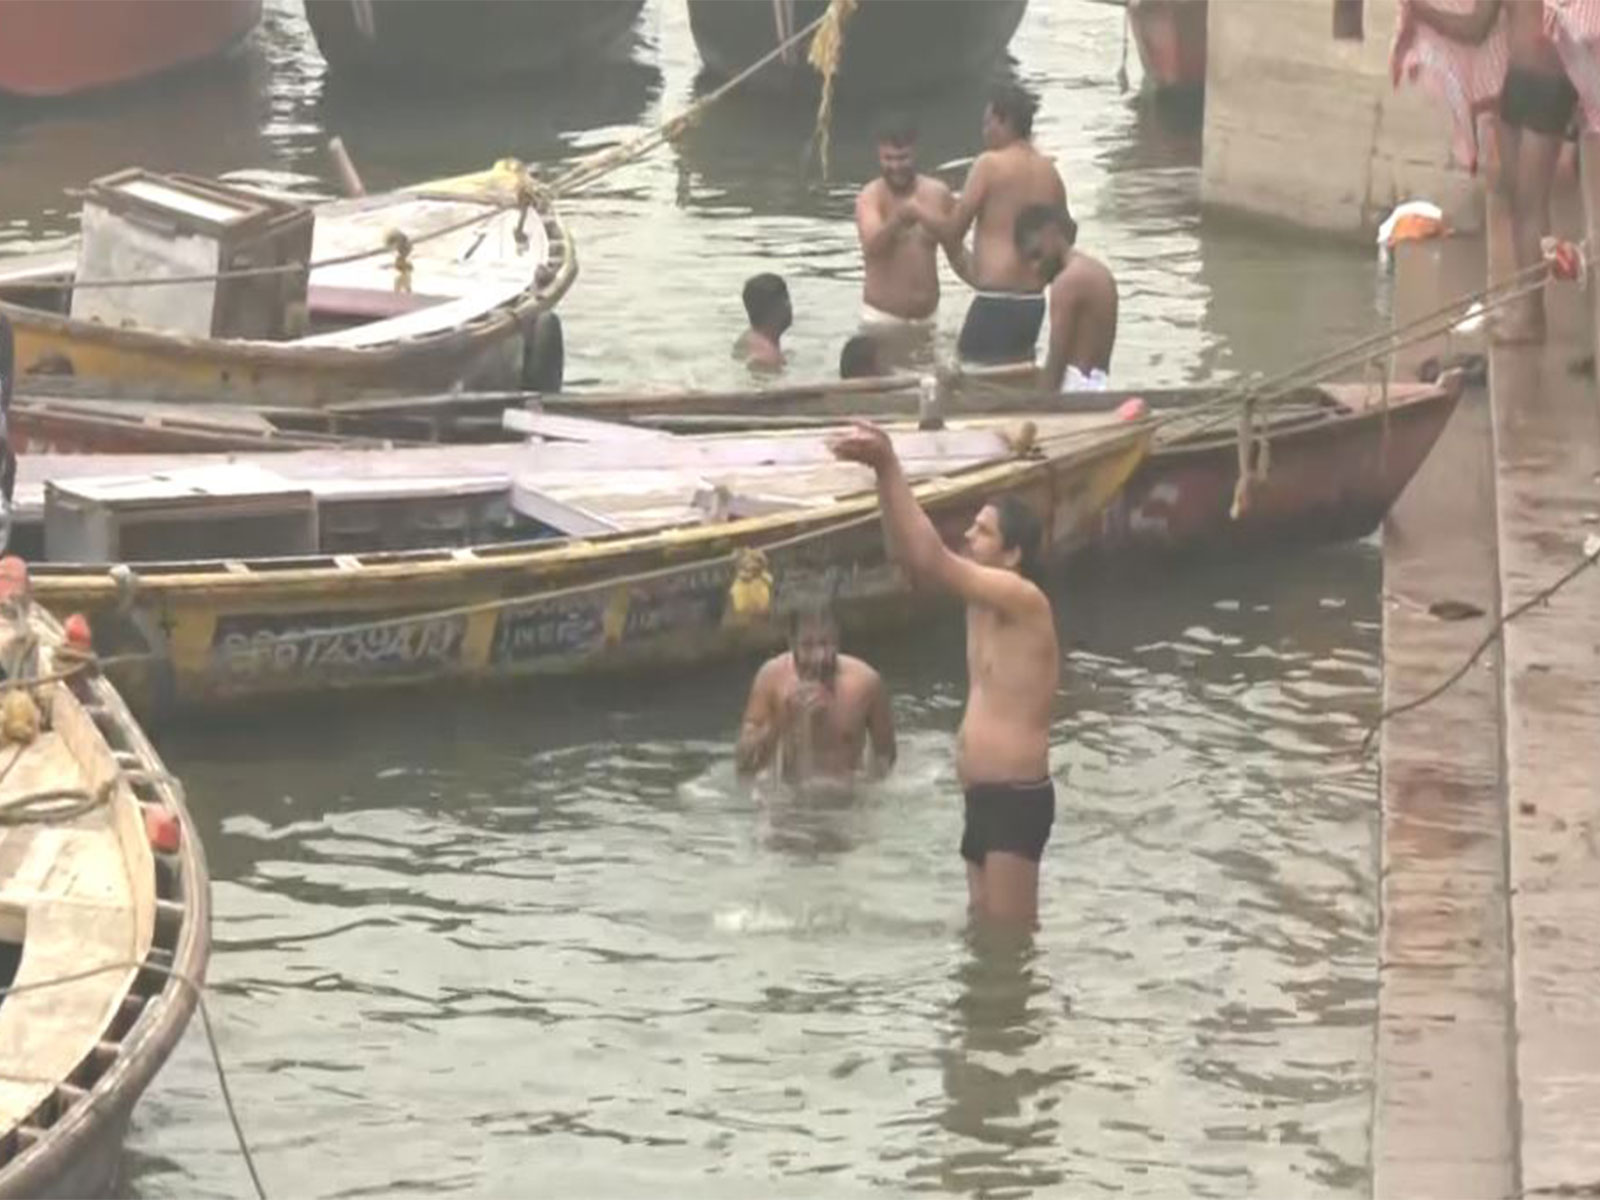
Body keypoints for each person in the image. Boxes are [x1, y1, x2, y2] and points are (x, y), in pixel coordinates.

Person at [827, 421, 1059, 925]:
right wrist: (879, 479)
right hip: (981, 795)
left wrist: (890, 463)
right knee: (982, 938)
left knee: (1008, 943)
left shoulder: (1024, 600)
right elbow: (907, 556)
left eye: (983, 530)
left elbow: (931, 556)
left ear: (1014, 554)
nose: (969, 535)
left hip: (1014, 797)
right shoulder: (979, 601)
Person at [1401, 0, 1575, 340]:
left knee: (1532, 205)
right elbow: (1476, 29)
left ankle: (1533, 317)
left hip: (1551, 85)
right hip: (1515, 81)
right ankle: (1525, 300)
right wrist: (1422, 11)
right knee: (1516, 200)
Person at [907, 83, 1068, 365]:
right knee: (1015, 380)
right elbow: (1067, 236)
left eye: (987, 123)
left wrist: (917, 211)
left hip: (996, 302)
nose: (983, 132)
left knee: (971, 383)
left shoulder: (989, 165)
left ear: (1004, 121)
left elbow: (954, 230)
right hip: (1033, 304)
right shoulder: (1049, 171)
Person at [736, 607, 896, 786]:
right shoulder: (771, 679)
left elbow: (886, 759)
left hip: (848, 800)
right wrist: (781, 721)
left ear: (838, 641)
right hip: (790, 802)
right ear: (792, 643)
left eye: (826, 644)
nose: (819, 657)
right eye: (807, 645)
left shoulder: (866, 683)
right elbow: (744, 766)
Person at [855, 118, 966, 328]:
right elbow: (872, 249)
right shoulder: (870, 197)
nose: (896, 166)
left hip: (928, 319)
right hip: (882, 320)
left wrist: (988, 286)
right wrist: (900, 218)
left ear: (915, 153)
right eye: (888, 159)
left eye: (902, 158)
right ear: (879, 158)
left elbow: (956, 250)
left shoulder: (937, 193)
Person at [1014, 205, 1118, 392]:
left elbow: (1057, 362)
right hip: (1097, 385)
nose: (1035, 268)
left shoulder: (1066, 283)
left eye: (1037, 255)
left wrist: (1040, 406)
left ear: (1052, 234)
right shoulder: (1100, 271)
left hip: (1075, 390)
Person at [734, 273, 792, 369]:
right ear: (775, 309)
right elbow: (766, 383)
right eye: (786, 300)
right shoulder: (767, 358)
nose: (789, 306)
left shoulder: (748, 336)